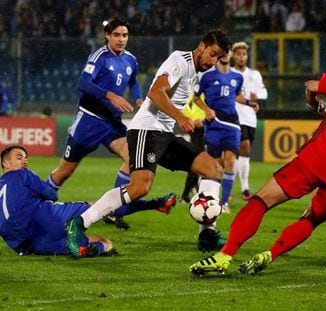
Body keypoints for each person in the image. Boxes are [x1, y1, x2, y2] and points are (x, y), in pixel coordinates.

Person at [189, 63, 326, 276]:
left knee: (262, 200)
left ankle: (225, 255)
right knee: (310, 219)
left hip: (319, 157)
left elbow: (311, 86)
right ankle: (270, 254)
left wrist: (313, 104)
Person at [65, 29, 233, 257]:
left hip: (164, 134)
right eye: (212, 54)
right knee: (139, 188)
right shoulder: (179, 60)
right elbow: (155, 93)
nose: (213, 62)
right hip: (146, 130)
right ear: (202, 46)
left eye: (218, 58)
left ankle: (207, 234)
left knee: (213, 168)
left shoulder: (195, 72)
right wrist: (181, 117)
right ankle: (80, 223)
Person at [46, 16, 142, 230]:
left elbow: (134, 81)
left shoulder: (131, 60)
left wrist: (138, 98)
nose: (121, 39)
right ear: (107, 35)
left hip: (112, 123)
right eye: (116, 35)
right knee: (65, 171)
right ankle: (38, 200)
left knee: (133, 157)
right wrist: (110, 95)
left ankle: (115, 210)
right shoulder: (99, 57)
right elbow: (83, 83)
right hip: (89, 120)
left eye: (124, 35)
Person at [0, 145, 176, 257]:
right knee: (100, 206)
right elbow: (52, 195)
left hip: (30, 246)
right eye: (19, 157)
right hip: (48, 218)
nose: (25, 161)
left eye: (26, 157)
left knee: (103, 243)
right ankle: (155, 204)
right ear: (5, 164)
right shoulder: (23, 175)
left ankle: (89, 249)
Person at [193, 50, 250, 213]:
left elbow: (237, 95)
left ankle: (224, 202)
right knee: (214, 165)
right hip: (213, 124)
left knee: (230, 160)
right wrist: (207, 109)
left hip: (232, 124)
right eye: (222, 52)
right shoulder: (207, 76)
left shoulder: (237, 77)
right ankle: (211, 200)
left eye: (227, 51)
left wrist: (249, 103)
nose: (225, 55)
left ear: (230, 54)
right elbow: (196, 98)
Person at [232, 41, 268, 201]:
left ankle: (241, 186)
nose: (241, 57)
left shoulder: (255, 74)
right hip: (234, 116)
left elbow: (264, 92)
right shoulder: (230, 73)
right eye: (238, 54)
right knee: (243, 147)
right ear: (233, 55)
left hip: (250, 117)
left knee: (243, 153)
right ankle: (244, 188)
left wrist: (257, 96)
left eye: (244, 54)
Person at [180, 97, 206, 204]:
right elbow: (185, 107)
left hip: (207, 126)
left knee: (200, 162)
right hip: (197, 130)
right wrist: (190, 120)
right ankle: (186, 194)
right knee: (197, 162)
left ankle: (193, 189)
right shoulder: (194, 90)